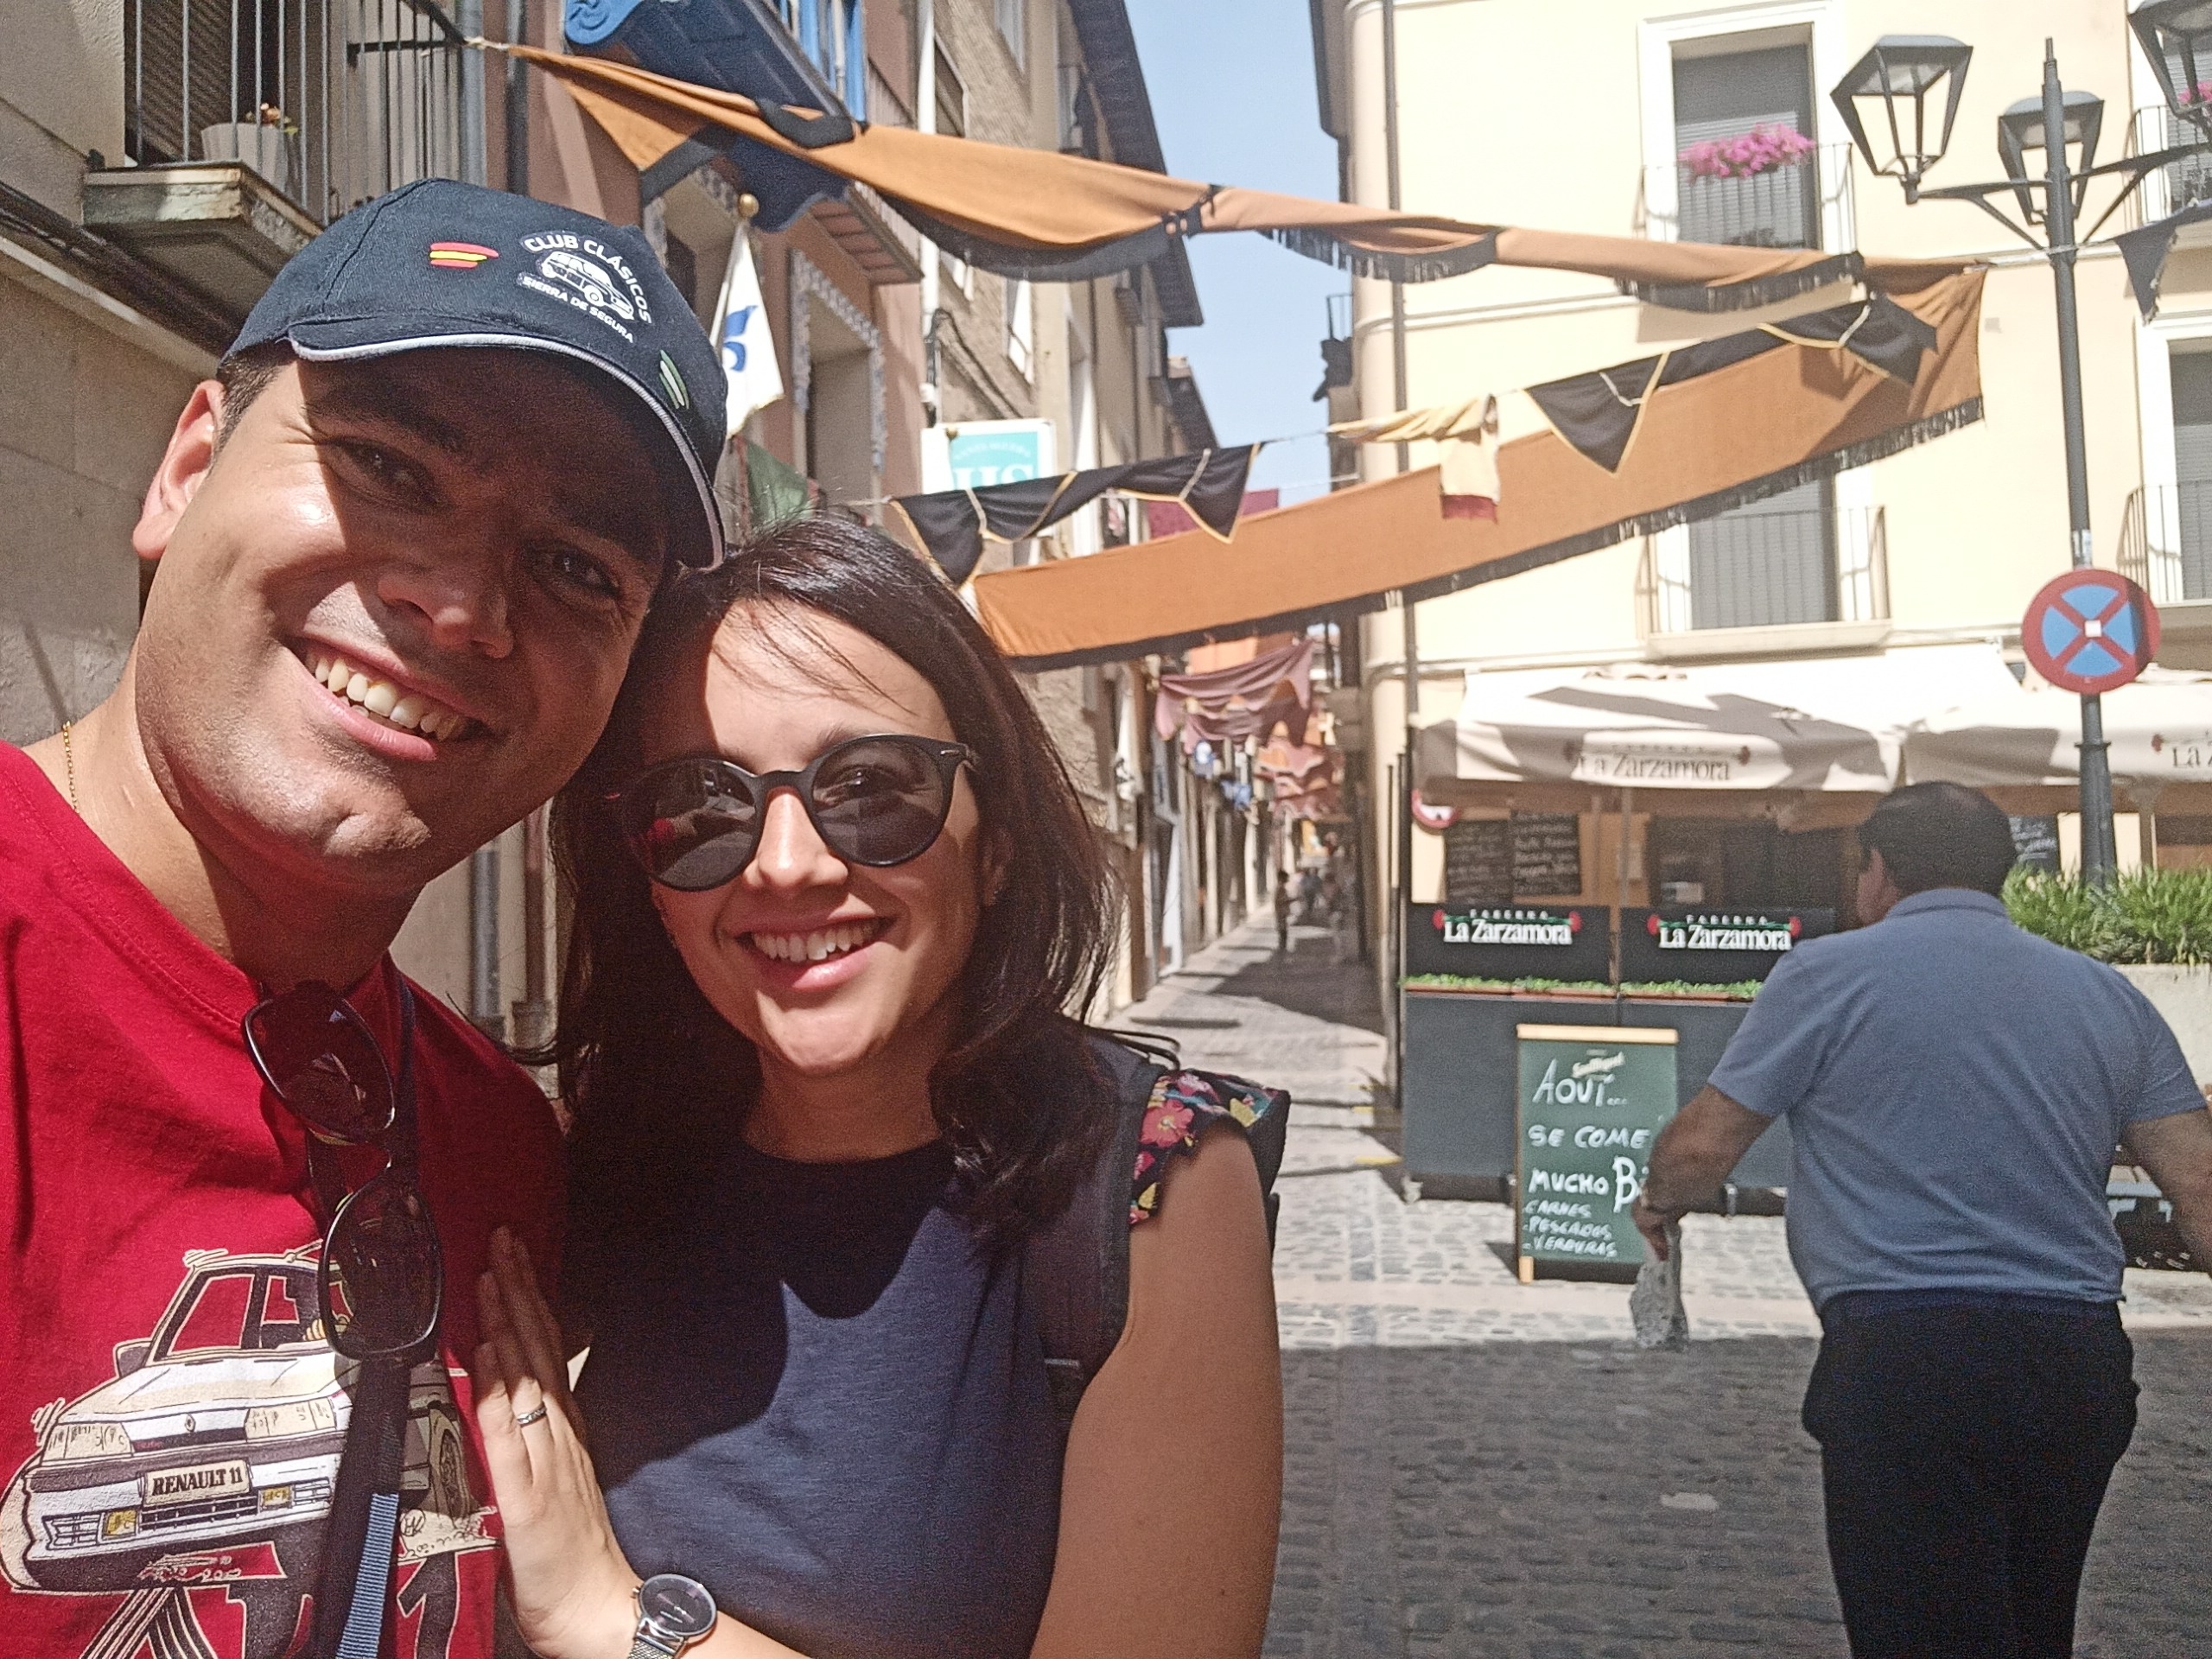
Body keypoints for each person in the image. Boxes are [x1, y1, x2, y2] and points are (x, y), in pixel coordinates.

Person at [0, 179, 725, 1659]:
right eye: (391, 466)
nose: (463, 610)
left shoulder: (497, 1145)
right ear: (184, 471)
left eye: (577, 570)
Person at [466, 518, 1286, 1659]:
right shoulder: (600, 1167)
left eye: (870, 788)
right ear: (651, 882)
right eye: (702, 807)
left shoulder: (1158, 1186)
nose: (786, 864)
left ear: (994, 843)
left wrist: (614, 1619)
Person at [1632, 783, 2212, 1659]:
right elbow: (2198, 1180)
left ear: (1879, 871)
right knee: (2030, 1623)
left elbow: (1702, 1148)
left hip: (1908, 1353)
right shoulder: (2105, 995)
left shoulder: (1825, 976)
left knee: (1917, 1628)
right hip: (2070, 1356)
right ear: (2002, 871)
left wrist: (1659, 1203)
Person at [1274, 868, 1294, 952]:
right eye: (1286, 877)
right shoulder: (1281, 888)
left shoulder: (1280, 887)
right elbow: (1282, 900)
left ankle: (1282, 947)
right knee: (1283, 930)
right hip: (1281, 912)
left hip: (1281, 912)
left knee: (1283, 929)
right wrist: (1294, 899)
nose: (1287, 879)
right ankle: (1282, 948)